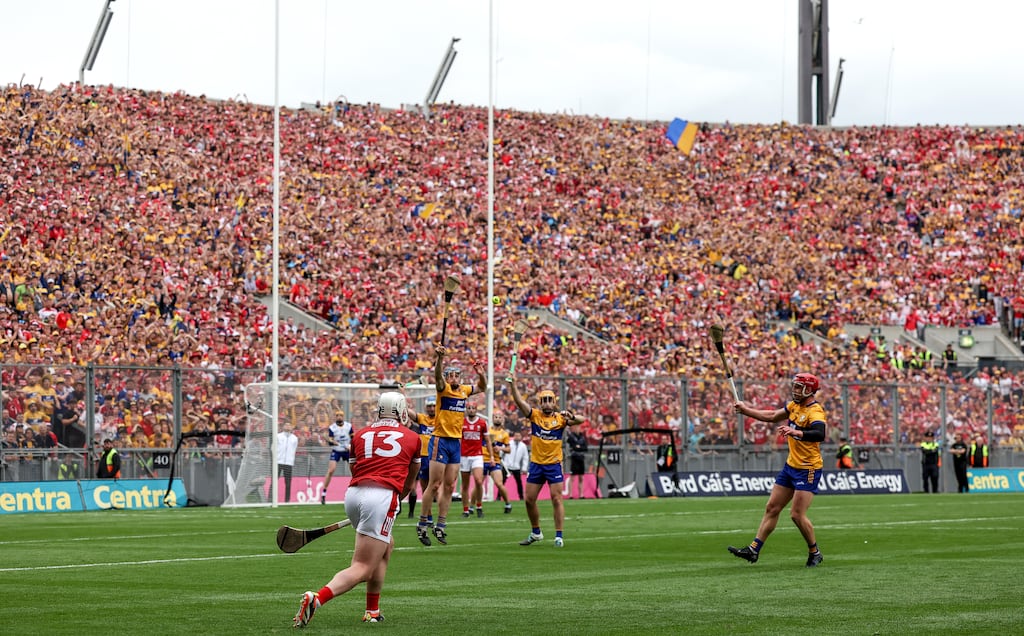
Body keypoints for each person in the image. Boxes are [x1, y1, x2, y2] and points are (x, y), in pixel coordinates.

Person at [292, 391, 421, 627]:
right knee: (362, 567)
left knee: (386, 546)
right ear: (402, 411)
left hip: (353, 495)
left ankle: (372, 611)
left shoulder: (360, 434)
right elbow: (410, 483)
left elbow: (355, 470)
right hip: (382, 497)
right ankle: (317, 599)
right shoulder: (413, 437)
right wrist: (395, 499)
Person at [727, 373, 826, 567]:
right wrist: (746, 410)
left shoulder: (815, 411)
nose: (794, 390)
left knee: (796, 515)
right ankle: (753, 550)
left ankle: (815, 552)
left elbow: (819, 433)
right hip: (791, 466)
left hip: (808, 469)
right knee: (772, 508)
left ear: (809, 390)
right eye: (794, 386)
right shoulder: (794, 406)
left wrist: (796, 432)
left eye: (798, 387)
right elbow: (772, 416)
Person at [415, 345, 486, 546]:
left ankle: (441, 525)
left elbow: (482, 387)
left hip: (456, 443)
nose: (454, 378)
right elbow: (437, 377)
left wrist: (481, 374)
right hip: (440, 440)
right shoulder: (443, 388)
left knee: (448, 486)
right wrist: (439, 359)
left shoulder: (464, 391)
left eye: (457, 375)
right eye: (451, 376)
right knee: (434, 484)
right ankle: (422, 524)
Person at [507, 379, 583, 548]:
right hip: (537, 464)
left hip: (553, 464)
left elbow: (581, 420)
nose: (547, 403)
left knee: (556, 499)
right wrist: (513, 385)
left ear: (554, 402)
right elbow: (519, 401)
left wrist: (571, 416)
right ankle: (536, 532)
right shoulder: (534, 415)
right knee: (529, 500)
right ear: (540, 403)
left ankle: (559, 536)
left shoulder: (561, 418)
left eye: (550, 400)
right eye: (544, 400)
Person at [404, 396, 436, 518]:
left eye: (434, 406)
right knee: (425, 487)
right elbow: (406, 410)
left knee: (437, 487)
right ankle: (429, 516)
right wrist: (403, 394)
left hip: (438, 456)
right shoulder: (422, 419)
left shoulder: (442, 418)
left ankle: (438, 516)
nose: (432, 409)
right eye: (429, 406)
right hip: (424, 457)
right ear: (425, 407)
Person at [459, 401, 492, 518]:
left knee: (478, 480)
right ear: (466, 409)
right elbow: (458, 440)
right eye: (469, 408)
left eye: (473, 408)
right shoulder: (461, 423)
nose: (471, 410)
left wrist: (491, 456)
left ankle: (479, 506)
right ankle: (466, 510)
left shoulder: (482, 423)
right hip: (464, 456)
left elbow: (487, 440)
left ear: (476, 409)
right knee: (465, 485)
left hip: (477, 455)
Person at [483, 413, 513, 513]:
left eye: (500, 417)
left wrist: (500, 448)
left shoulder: (504, 434)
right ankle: (471, 507)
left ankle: (508, 504)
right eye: (496, 417)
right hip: (483, 459)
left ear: (502, 419)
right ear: (492, 419)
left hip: (495, 461)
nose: (498, 419)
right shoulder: (487, 431)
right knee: (479, 483)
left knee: (499, 484)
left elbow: (509, 449)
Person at [320, 415, 353, 505]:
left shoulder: (348, 426)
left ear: (343, 417)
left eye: (341, 415)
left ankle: (357, 490)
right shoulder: (332, 428)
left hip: (347, 451)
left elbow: (353, 438)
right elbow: (330, 441)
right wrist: (333, 442)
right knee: (331, 470)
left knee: (354, 470)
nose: (339, 417)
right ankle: (323, 493)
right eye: (337, 416)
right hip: (336, 450)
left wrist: (350, 446)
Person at [277, 421, 299, 503]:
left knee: (288, 482)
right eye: (286, 425)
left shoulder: (294, 438)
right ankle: (270, 499)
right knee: (274, 481)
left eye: (289, 425)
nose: (287, 426)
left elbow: (294, 449)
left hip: (288, 463)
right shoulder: (278, 436)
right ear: (283, 427)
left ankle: (287, 500)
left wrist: (291, 459)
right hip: (278, 462)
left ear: (291, 427)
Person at [565, 422, 589, 499]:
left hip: (581, 458)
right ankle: (570, 495)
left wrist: (578, 447)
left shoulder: (582, 437)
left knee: (581, 477)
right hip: (574, 458)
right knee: (572, 477)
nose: (577, 428)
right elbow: (573, 446)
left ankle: (581, 494)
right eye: (576, 427)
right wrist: (577, 447)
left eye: (578, 427)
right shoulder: (571, 436)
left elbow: (585, 448)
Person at [504, 430, 529, 500]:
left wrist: (524, 468)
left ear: (521, 437)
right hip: (507, 466)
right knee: (502, 482)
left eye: (518, 436)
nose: (517, 437)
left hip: (516, 466)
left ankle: (521, 497)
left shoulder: (523, 446)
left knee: (519, 482)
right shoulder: (509, 443)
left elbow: (525, 457)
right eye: (516, 436)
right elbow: (503, 452)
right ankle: (498, 496)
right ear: (514, 436)